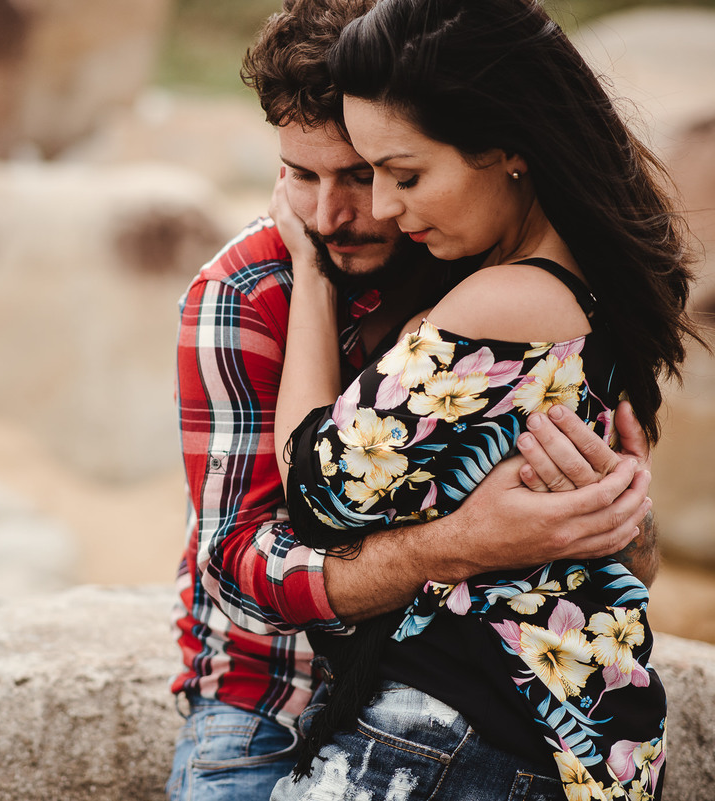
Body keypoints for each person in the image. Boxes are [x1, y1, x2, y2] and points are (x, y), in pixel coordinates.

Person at [168, 1, 657, 799]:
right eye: (298, 174)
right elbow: (239, 564)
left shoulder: (473, 265)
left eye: (370, 175)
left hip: (451, 712)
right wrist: (461, 540)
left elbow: (620, 560)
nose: (330, 216)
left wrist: (616, 508)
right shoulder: (247, 290)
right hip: (267, 696)